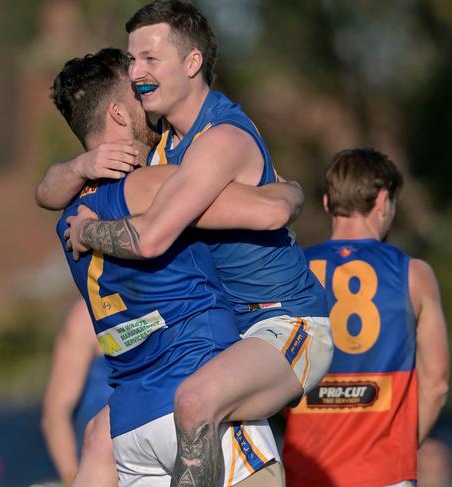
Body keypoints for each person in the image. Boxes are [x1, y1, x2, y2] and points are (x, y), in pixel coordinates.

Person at [61, 2, 333, 485]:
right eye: (132, 60)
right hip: (236, 336)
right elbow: (47, 191)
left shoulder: (218, 139)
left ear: (192, 64)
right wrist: (75, 168)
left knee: (193, 402)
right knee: (102, 431)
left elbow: (155, 237)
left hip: (287, 325)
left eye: (150, 59)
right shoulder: (163, 144)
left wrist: (85, 232)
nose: (136, 72)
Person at [281, 148, 450, 486]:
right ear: (384, 200)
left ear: (328, 203)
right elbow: (437, 382)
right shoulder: (414, 274)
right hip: (383, 471)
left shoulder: (291, 271)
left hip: (307, 469)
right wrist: (400, 447)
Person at [41, 299, 112, 486]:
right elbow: (56, 413)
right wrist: (71, 476)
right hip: (101, 466)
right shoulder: (86, 316)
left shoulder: (181, 292)